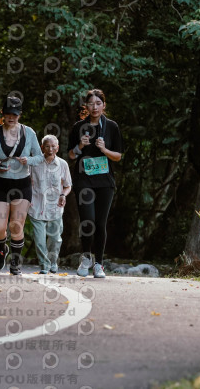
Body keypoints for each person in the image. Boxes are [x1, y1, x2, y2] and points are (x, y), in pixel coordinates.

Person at [0, 96, 43, 275]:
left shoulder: (29, 133)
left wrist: (28, 160)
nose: (11, 117)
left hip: (22, 184)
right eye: (8, 113)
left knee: (16, 225)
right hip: (1, 183)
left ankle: (15, 262)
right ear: (2, 113)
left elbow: (39, 157)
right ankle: (2, 248)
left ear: (20, 114)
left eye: (15, 114)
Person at [68, 89, 123, 278]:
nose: (95, 107)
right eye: (91, 104)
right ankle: (86, 258)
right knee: (87, 220)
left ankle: (99, 264)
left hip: (105, 181)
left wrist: (104, 149)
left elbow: (118, 156)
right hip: (84, 180)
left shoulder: (112, 127)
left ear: (104, 105)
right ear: (86, 106)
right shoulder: (78, 127)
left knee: (100, 223)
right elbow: (71, 155)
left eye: (98, 103)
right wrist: (80, 146)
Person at [29, 135, 72, 274]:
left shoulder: (63, 164)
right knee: (39, 240)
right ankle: (44, 265)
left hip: (55, 207)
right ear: (42, 148)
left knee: (55, 239)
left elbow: (68, 186)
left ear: (57, 148)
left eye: (53, 146)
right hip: (36, 206)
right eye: (47, 146)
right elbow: (26, 182)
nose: (50, 149)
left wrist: (63, 195)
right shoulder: (34, 163)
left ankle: (53, 262)